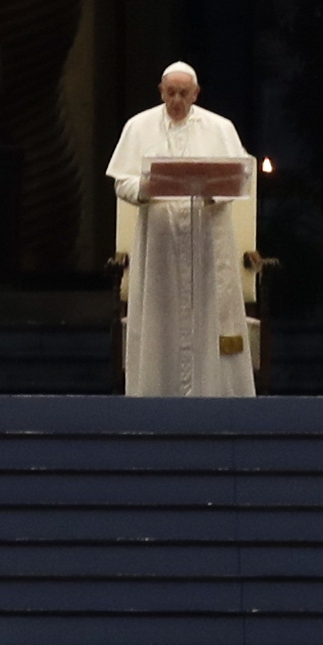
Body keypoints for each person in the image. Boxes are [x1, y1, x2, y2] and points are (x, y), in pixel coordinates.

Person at [104, 62, 258, 397]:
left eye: (183, 94)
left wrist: (209, 189)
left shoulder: (221, 128)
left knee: (207, 320)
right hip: (160, 243)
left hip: (207, 241)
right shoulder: (138, 126)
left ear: (196, 94)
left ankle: (214, 398)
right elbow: (121, 183)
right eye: (170, 92)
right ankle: (156, 396)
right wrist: (147, 188)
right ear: (161, 91)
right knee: (161, 322)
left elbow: (240, 177)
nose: (176, 100)